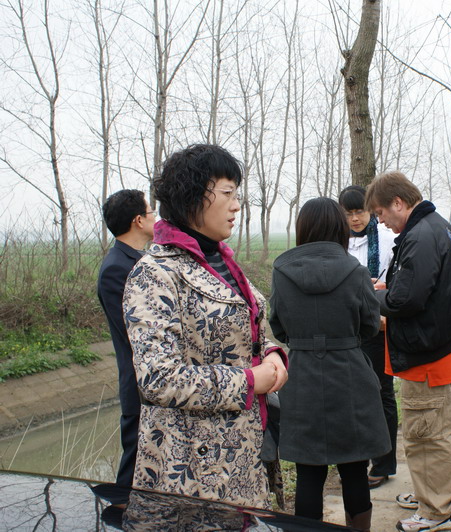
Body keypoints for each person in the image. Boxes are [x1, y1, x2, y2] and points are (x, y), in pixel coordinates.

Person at [123, 144, 288, 508]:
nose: (236, 205)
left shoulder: (219, 260)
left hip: (242, 453)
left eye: (237, 194)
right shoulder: (155, 273)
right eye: (228, 194)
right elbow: (157, 378)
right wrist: (250, 381)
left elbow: (246, 330)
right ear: (192, 197)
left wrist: (273, 355)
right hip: (191, 466)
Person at [269, 197, 390, 532]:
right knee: (354, 469)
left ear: (303, 229)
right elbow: (370, 325)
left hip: (302, 378)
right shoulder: (356, 271)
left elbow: (278, 326)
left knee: (309, 473)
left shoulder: (281, 271)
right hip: (350, 376)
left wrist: (304, 342)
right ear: (339, 228)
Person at [365, 171, 451, 532]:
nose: (380, 221)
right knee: (432, 429)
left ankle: (436, 510)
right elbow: (418, 287)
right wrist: (388, 288)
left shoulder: (421, 236)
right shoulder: (434, 227)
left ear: (398, 203)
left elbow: (405, 300)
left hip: (427, 356)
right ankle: (429, 492)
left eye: (381, 213)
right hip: (437, 346)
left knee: (427, 436)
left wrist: (373, 296)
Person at [338, 184, 398, 489]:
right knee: (351, 395)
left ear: (369, 210)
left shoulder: (386, 239)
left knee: (381, 392)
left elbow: (396, 282)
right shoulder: (338, 242)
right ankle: (356, 460)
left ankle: (384, 463)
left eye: (359, 211)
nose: (355, 218)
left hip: (376, 326)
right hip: (346, 328)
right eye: (348, 213)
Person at [97, 189, 155, 501]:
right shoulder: (117, 268)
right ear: (138, 220)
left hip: (158, 383)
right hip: (141, 384)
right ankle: (116, 516)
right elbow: (137, 333)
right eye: (151, 212)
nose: (156, 218)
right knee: (132, 473)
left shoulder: (142, 259)